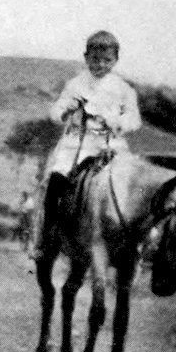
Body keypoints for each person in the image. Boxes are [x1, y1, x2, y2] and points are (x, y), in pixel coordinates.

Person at [31, 30, 142, 255]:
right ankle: (46, 237)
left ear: (116, 60)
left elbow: (134, 119)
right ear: (86, 57)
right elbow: (55, 112)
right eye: (95, 59)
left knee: (134, 184)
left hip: (110, 144)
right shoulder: (75, 84)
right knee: (55, 181)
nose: (100, 65)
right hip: (77, 144)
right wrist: (67, 109)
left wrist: (117, 121)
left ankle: (138, 242)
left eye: (107, 60)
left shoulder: (123, 88)